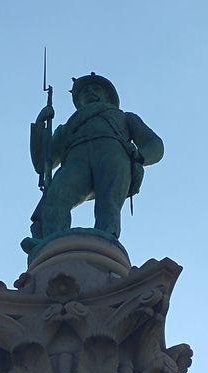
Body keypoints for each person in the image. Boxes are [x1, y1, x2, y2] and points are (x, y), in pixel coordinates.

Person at [24, 72, 164, 252]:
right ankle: (52, 244)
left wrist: (140, 155)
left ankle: (106, 245)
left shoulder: (124, 117)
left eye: (96, 88)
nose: (90, 92)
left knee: (109, 203)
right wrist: (41, 123)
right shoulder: (67, 127)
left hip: (113, 153)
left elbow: (154, 144)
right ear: (78, 101)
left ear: (107, 96)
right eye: (84, 91)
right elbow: (43, 163)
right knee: (56, 196)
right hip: (75, 160)